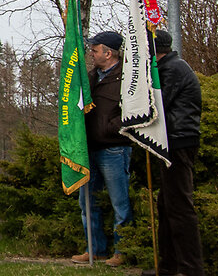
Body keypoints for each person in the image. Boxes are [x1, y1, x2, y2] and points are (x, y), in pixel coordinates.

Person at [71, 30, 134, 267]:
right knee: (88, 202)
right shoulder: (90, 77)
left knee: (120, 202)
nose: (92, 53)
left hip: (114, 148)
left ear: (108, 53)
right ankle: (94, 249)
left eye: (95, 50)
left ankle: (123, 250)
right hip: (89, 148)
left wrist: (111, 129)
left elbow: (132, 111)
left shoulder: (127, 78)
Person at [146, 30, 204, 276]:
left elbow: (156, 104)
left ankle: (190, 268)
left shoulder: (172, 70)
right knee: (167, 206)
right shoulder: (171, 67)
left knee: (179, 207)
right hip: (171, 141)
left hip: (178, 141)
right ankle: (169, 265)